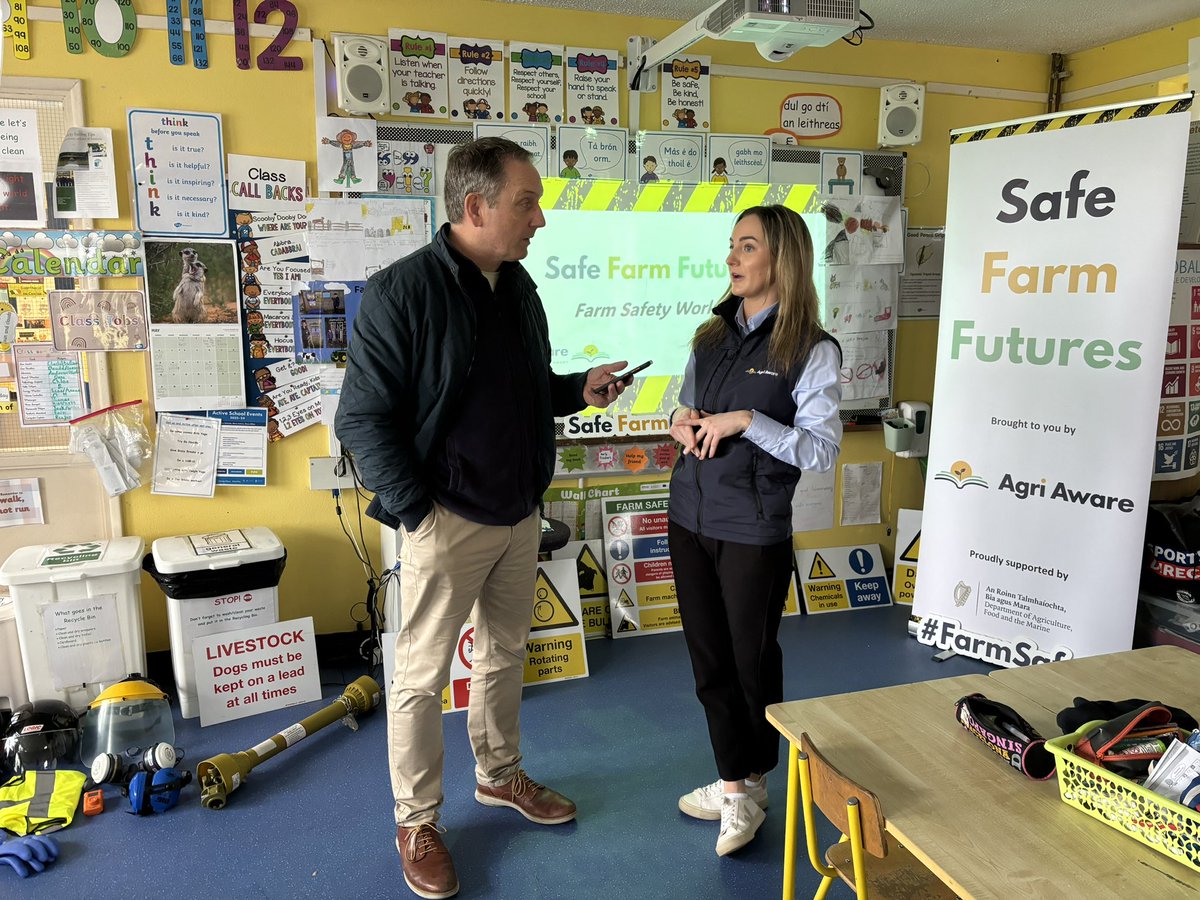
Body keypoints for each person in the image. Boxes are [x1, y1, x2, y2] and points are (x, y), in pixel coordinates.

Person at [335, 136, 632, 900]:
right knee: (421, 675)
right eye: (526, 202)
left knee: (506, 655)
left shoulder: (519, 286)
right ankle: (416, 819)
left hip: (518, 510)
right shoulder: (403, 292)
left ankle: (499, 777)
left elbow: (524, 388)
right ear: (475, 207)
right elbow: (363, 419)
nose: (540, 219)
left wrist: (578, 389)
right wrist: (416, 514)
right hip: (446, 519)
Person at [667, 204, 842, 857]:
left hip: (753, 527)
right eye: (732, 245)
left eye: (747, 246)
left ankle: (748, 784)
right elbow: (684, 405)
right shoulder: (710, 337)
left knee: (750, 663)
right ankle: (735, 782)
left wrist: (747, 420)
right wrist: (681, 422)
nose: (733, 258)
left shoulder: (811, 349)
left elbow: (820, 451)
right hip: (688, 515)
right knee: (709, 663)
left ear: (782, 260)